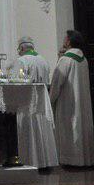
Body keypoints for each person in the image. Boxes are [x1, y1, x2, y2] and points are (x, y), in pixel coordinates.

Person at [49, 30, 94, 166]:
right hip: (82, 102)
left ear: (69, 41)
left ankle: (70, 160)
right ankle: (85, 159)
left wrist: (50, 99)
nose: (64, 40)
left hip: (68, 103)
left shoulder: (66, 59)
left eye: (65, 38)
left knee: (69, 129)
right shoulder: (83, 59)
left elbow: (57, 82)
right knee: (80, 128)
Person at [12, 36, 59, 168]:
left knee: (29, 130)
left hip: (27, 102)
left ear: (21, 48)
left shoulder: (21, 61)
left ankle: (30, 160)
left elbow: (16, 83)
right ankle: (46, 161)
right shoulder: (43, 60)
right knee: (42, 130)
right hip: (42, 101)